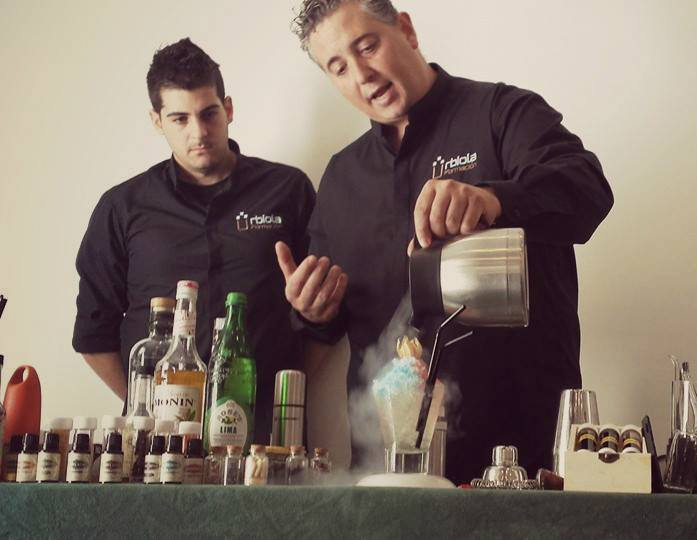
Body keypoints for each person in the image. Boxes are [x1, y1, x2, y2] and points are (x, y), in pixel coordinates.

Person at [280, 0, 613, 483]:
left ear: (406, 30)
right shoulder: (341, 176)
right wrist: (313, 310)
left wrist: (492, 199)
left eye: (367, 46)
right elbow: (333, 322)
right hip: (387, 471)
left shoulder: (502, 112)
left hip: (520, 464)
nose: (361, 74)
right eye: (339, 67)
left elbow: (589, 191)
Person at [73, 38, 316, 443]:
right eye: (180, 119)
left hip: (265, 438)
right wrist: (149, 406)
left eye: (209, 114)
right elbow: (92, 335)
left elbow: (323, 320)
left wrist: (284, 400)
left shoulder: (288, 190)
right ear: (157, 121)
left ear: (229, 108)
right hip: (156, 443)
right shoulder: (123, 207)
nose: (199, 132)